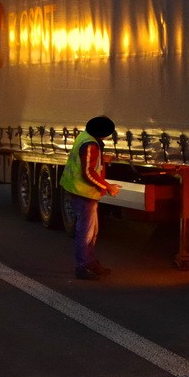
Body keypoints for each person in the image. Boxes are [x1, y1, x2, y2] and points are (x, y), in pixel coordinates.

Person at [60, 116, 121, 280]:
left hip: (83, 192)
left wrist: (103, 158)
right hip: (83, 193)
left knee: (91, 231)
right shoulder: (90, 144)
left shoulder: (85, 137)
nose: (106, 137)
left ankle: (90, 263)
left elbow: (86, 164)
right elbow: (88, 173)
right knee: (86, 233)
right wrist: (108, 186)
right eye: (106, 134)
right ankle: (83, 266)